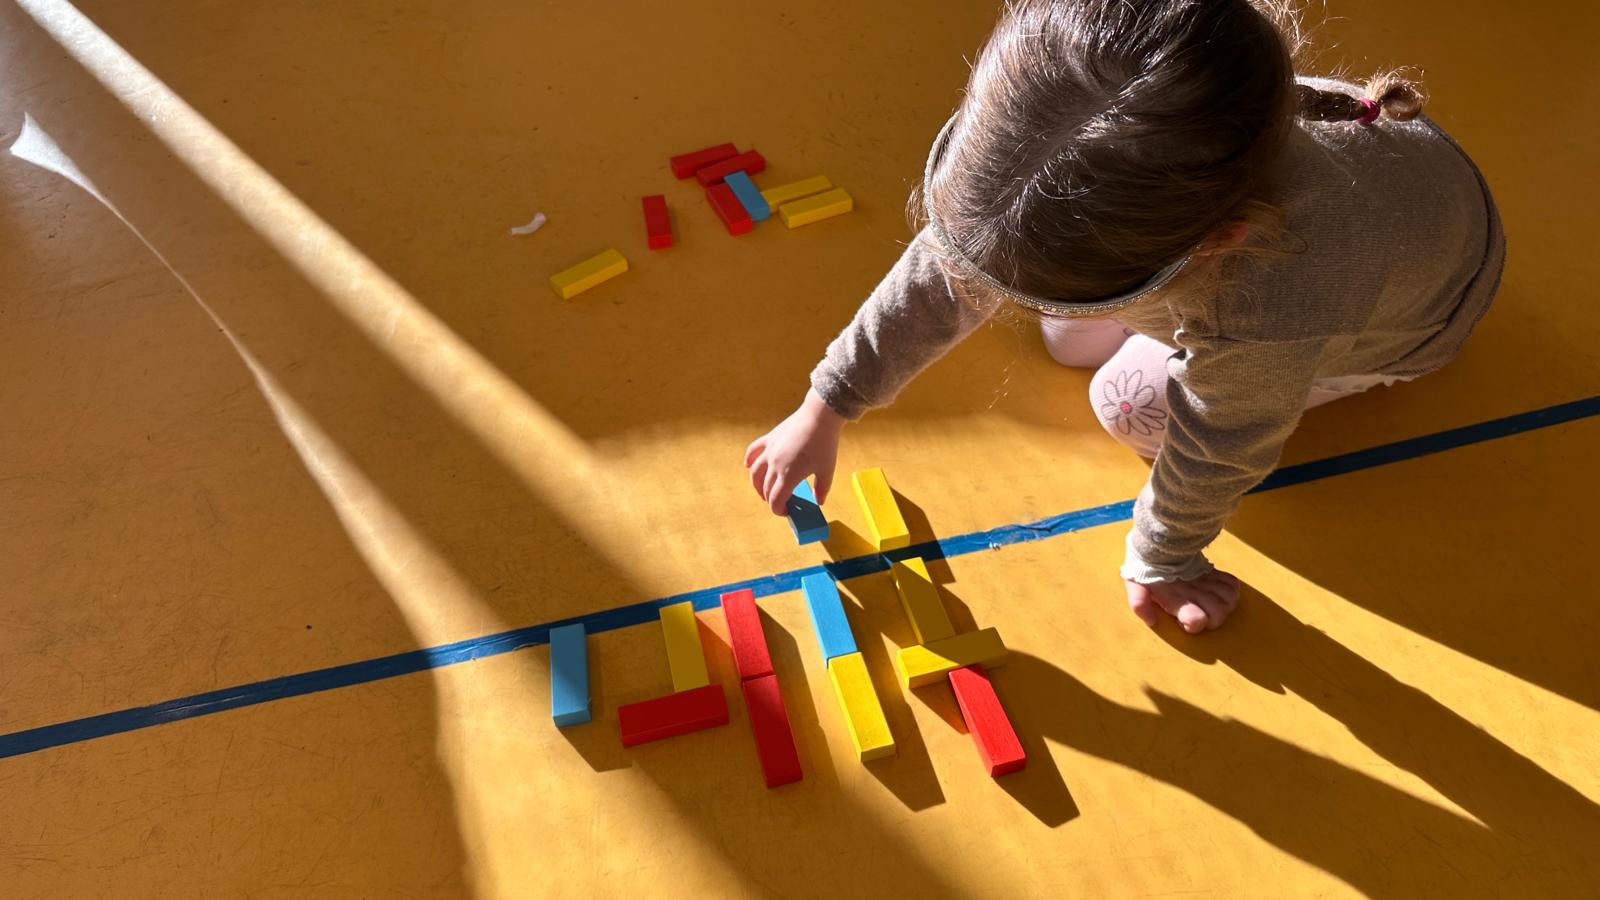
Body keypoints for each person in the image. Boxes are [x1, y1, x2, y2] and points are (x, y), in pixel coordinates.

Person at [744, 0, 1505, 633]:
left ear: (1218, 242)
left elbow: (1226, 440)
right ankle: (1093, 294)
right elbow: (955, 265)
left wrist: (1163, 558)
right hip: (1341, 223)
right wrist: (828, 402)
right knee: (1062, 326)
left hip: (1403, 323)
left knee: (1123, 404)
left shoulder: (1271, 302)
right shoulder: (1193, 93)